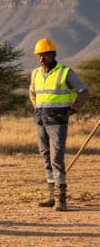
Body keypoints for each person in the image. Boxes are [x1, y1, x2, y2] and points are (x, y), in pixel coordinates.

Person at [29, 38, 90, 211]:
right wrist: (38, 109)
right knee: (46, 156)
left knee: (56, 157)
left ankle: (61, 199)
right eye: (39, 55)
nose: (41, 58)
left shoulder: (65, 72)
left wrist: (73, 108)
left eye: (44, 55)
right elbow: (32, 93)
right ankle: (51, 195)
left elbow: (84, 92)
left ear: (53, 54)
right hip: (40, 119)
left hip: (58, 120)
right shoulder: (35, 73)